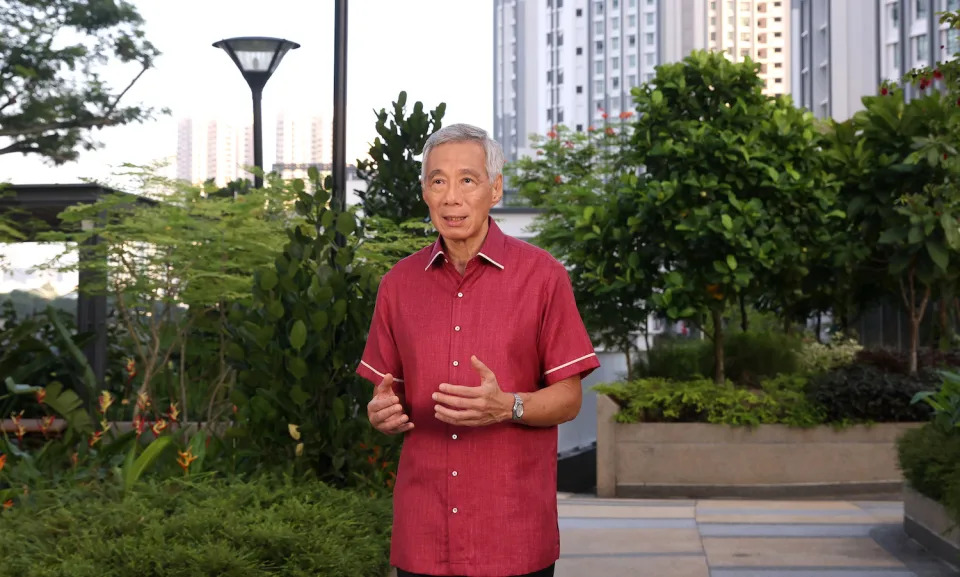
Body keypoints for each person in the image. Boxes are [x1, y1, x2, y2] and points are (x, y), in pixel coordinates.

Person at [356, 123, 600, 577]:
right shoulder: (397, 285)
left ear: (495, 189)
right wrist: (380, 413)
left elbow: (569, 398)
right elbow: (385, 395)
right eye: (437, 181)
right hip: (422, 535)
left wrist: (508, 406)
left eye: (467, 180)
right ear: (425, 193)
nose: (452, 197)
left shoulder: (543, 278)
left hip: (512, 534)